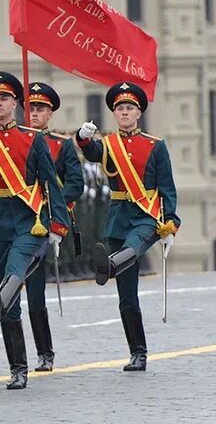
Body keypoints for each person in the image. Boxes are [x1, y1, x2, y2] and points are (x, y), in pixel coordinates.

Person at [0, 71, 71, 390]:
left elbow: (50, 181)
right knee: (2, 293)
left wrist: (58, 224)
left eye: (3, 99)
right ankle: (15, 364)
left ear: (15, 104)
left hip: (26, 218)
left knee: (14, 274)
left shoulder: (33, 138)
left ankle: (18, 367)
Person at [75, 81, 179, 372]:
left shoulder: (155, 146)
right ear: (114, 113)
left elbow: (167, 188)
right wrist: (83, 138)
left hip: (146, 216)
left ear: (138, 113)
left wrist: (171, 225)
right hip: (118, 218)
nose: (124, 112)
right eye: (119, 108)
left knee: (135, 246)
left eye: (129, 107)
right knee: (127, 297)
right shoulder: (109, 144)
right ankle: (138, 352)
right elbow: (93, 152)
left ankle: (107, 266)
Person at [24, 82, 83, 371]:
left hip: (42, 221)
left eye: (40, 109)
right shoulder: (12, 140)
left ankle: (44, 352)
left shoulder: (62, 145)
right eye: (31, 108)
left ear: (50, 114)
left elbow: (75, 184)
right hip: (14, 218)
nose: (34, 113)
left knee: (35, 292)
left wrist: (54, 206)